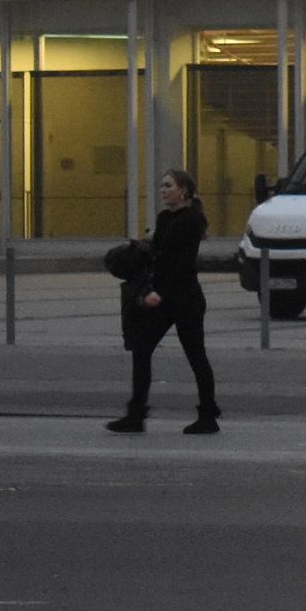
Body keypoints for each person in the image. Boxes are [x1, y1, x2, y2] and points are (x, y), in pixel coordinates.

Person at [110, 170, 220, 435]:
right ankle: (136, 414)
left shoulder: (192, 219)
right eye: (161, 185)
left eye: (168, 186)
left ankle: (208, 416)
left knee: (196, 355)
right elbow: (158, 255)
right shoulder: (164, 218)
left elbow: (181, 263)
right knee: (142, 348)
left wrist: (159, 291)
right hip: (164, 297)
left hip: (185, 298)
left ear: (183, 190)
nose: (162, 190)